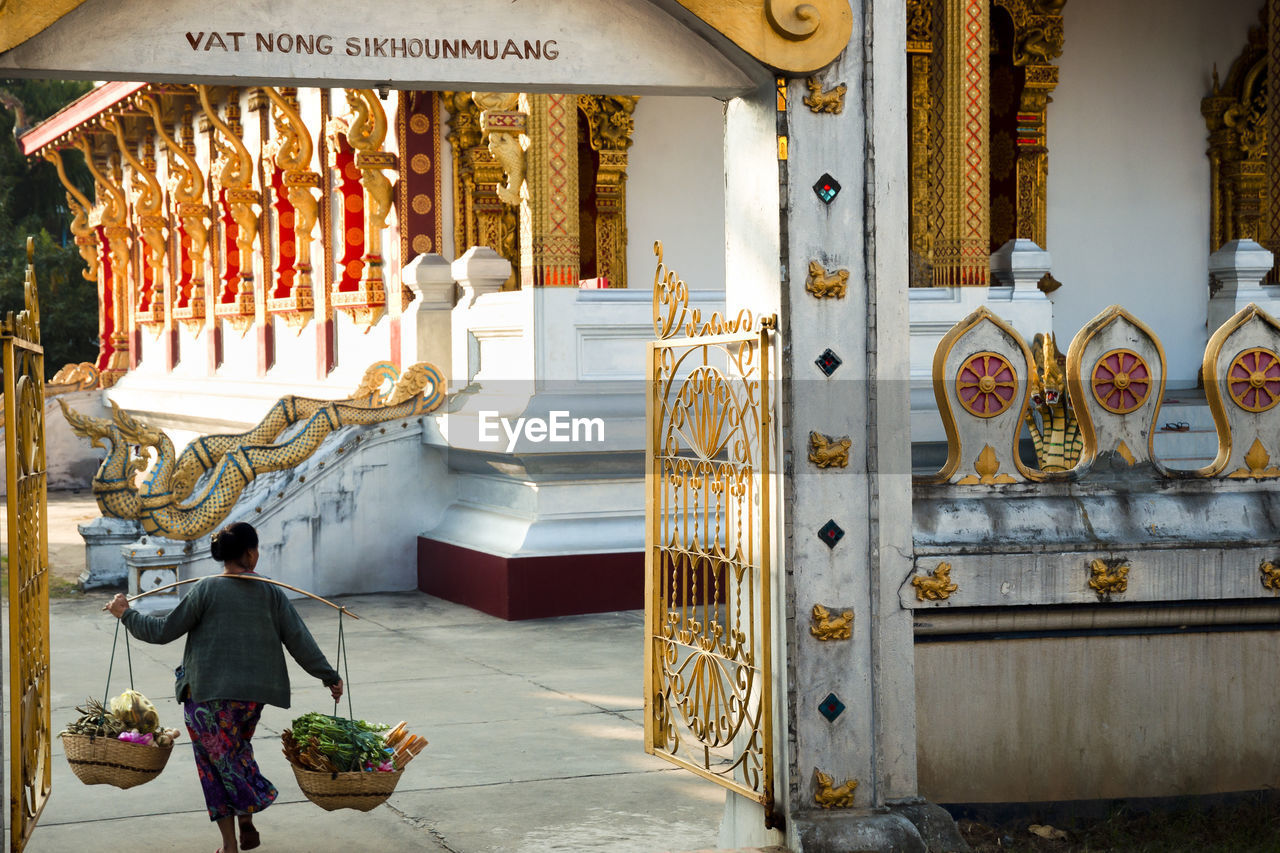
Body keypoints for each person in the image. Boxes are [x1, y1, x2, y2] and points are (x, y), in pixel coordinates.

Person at [108, 522, 343, 853]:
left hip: (207, 697)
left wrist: (126, 614)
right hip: (251, 700)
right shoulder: (271, 592)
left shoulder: (206, 589)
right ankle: (246, 822)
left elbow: (162, 632)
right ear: (249, 553)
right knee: (236, 752)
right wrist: (329, 675)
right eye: (256, 548)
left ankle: (230, 843)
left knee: (214, 766)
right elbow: (299, 640)